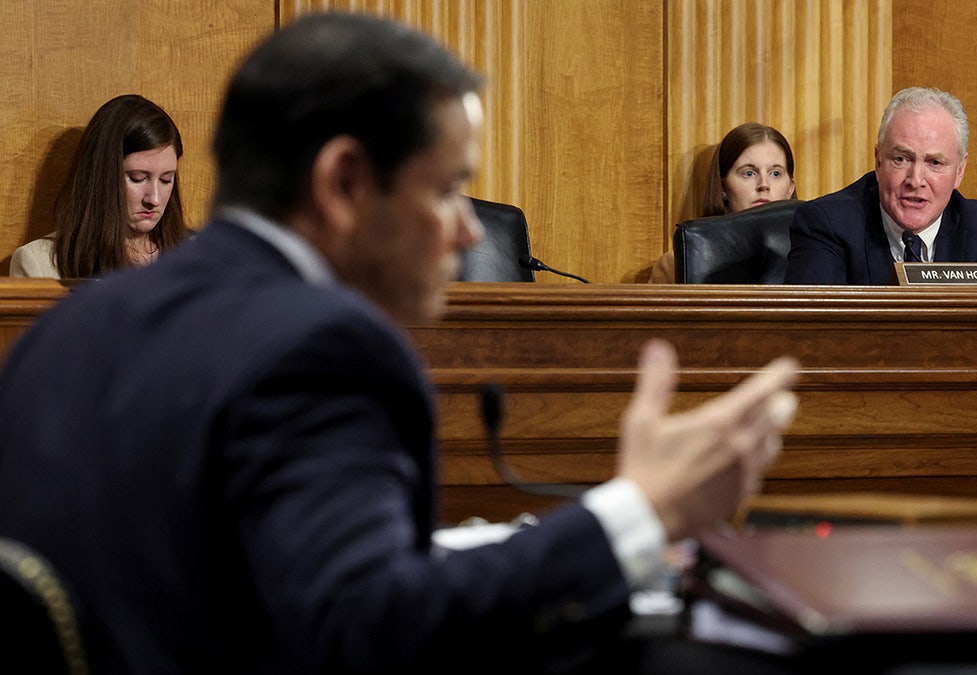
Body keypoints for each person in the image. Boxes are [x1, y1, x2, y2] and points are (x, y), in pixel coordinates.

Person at [0, 13, 799, 675]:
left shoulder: (65, 329)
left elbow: (251, 560)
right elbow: (377, 635)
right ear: (344, 182)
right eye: (447, 187)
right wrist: (637, 511)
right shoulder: (323, 348)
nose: (463, 230)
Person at [783, 86, 977, 287]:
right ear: (878, 160)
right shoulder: (828, 225)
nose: (916, 179)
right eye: (901, 159)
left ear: (959, 172)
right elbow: (812, 337)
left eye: (934, 162)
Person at [9, 94, 190, 278]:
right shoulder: (40, 264)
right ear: (103, 177)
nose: (154, 199)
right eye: (137, 178)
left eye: (166, 180)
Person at [650, 122, 796, 283]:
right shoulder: (678, 263)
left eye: (775, 173)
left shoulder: (818, 254)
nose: (764, 185)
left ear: (790, 188)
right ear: (723, 187)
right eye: (749, 173)